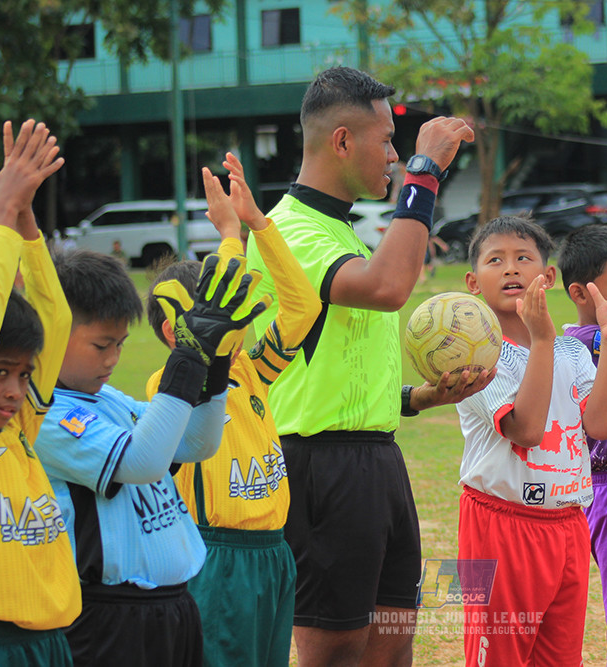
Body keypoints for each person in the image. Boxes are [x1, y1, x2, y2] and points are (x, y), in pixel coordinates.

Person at [245, 65, 490, 665]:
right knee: (337, 653)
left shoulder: (342, 233)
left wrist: (417, 398)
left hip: (377, 459)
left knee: (393, 649)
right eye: (387, 141)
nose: (395, 155)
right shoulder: (286, 231)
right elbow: (387, 287)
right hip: (319, 465)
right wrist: (424, 173)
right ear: (342, 141)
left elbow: (334, 364)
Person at [34, 244, 266, 665]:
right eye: (101, 345)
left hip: (173, 606)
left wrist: (214, 366)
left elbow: (196, 443)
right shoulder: (43, 417)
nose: (113, 358)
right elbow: (142, 462)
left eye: (120, 344)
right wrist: (188, 357)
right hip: (107, 614)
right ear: (51, 331)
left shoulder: (108, 398)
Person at [144, 157, 321, 667]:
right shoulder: (171, 386)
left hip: (274, 552)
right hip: (219, 556)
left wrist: (258, 225)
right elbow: (204, 356)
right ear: (174, 330)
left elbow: (303, 308)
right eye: (217, 304)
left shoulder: (251, 370)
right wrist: (229, 238)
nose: (234, 311)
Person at [457, 215, 607, 666]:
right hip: (498, 525)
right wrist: (542, 339)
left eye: (524, 258)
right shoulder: (474, 354)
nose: (511, 268)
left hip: (568, 524)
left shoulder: (573, 351)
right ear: (473, 283)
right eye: (495, 260)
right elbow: (526, 430)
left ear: (549, 275)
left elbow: (602, 425)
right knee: (500, 657)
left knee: (560, 657)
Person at [0, 119, 80, 664]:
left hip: (48, 643)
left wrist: (26, 220)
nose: (14, 390)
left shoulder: (20, 429)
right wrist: (1, 213)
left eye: (23, 375)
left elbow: (55, 317)